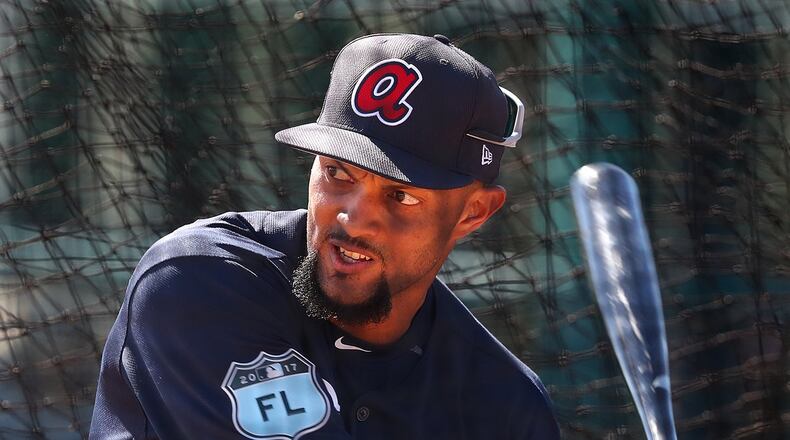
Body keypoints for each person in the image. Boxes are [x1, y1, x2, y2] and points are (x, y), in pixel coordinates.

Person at [90, 33, 561, 439]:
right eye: (337, 172)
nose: (353, 219)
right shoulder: (200, 281)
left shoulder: (504, 405)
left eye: (401, 196)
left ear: (473, 212)